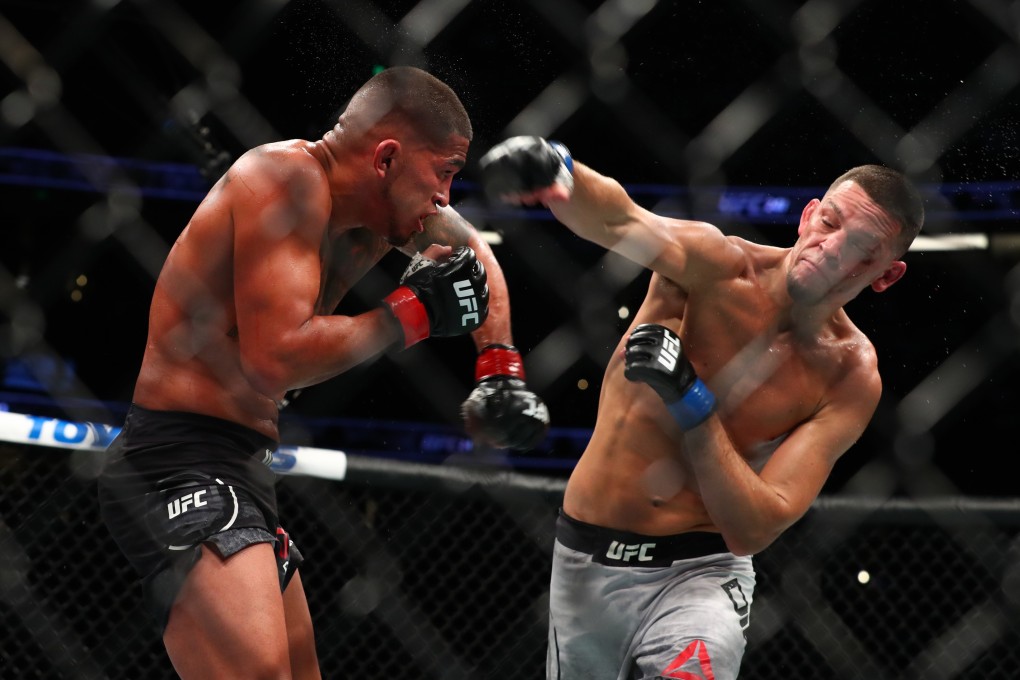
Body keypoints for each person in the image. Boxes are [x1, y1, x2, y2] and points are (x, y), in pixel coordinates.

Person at [97, 67, 548, 680]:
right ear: (387, 157)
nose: (446, 194)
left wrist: (499, 368)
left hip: (242, 467)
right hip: (177, 462)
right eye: (443, 171)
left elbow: (477, 258)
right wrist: (409, 315)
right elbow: (272, 359)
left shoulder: (382, 218)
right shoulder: (282, 179)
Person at [479, 137, 924, 680]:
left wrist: (693, 402)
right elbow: (618, 219)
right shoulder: (716, 265)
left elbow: (755, 528)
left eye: (862, 249)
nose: (832, 251)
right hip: (586, 561)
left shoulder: (850, 374)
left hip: (703, 572)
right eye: (830, 223)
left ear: (886, 274)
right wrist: (559, 169)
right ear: (808, 216)